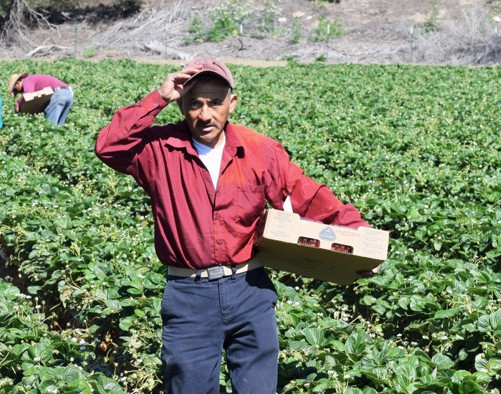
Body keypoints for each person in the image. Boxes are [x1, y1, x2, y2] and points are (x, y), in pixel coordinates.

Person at [95, 58, 379, 393]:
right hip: (189, 294)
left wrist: (358, 238)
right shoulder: (158, 149)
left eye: (215, 103)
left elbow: (306, 195)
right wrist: (159, 96)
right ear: (182, 105)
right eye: (194, 104)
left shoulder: (258, 149)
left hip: (249, 289)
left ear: (232, 103)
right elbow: (109, 146)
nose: (205, 115)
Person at [8, 72, 73, 125]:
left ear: (17, 84)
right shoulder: (34, 79)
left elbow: (27, 95)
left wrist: (18, 103)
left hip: (58, 95)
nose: (20, 92)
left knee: (50, 126)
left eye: (17, 91)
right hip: (68, 94)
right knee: (59, 126)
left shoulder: (27, 80)